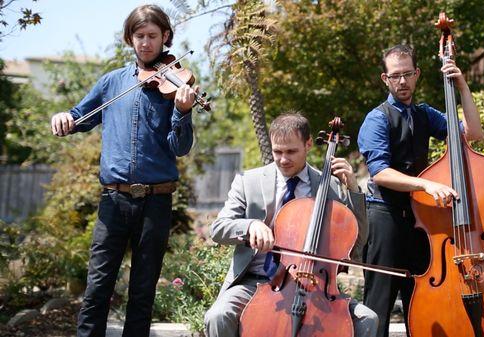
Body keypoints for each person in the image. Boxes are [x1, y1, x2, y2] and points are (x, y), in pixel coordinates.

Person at [50, 5, 199, 337]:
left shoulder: (175, 85)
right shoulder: (112, 82)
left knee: (143, 292)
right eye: (139, 36)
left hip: (156, 202)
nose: (145, 44)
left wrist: (183, 112)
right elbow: (79, 116)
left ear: (166, 38)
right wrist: (62, 118)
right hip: (113, 201)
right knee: (97, 288)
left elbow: (180, 147)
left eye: (152, 36)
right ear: (129, 39)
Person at [204, 112, 379, 337]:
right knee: (217, 316)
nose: (283, 159)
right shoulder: (248, 181)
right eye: (278, 152)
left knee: (368, 320)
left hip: (314, 287)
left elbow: (357, 243)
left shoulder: (330, 187)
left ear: (308, 145)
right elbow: (219, 228)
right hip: (253, 283)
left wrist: (354, 190)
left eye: (291, 152)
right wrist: (249, 226)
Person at [357, 44, 484, 337]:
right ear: (385, 79)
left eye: (407, 74)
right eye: (395, 75)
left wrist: (462, 86)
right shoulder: (377, 118)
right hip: (384, 216)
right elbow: (381, 173)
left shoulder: (425, 114)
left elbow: (473, 133)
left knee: (423, 298)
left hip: (420, 219)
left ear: (417, 74)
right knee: (379, 304)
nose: (402, 81)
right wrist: (426, 184)